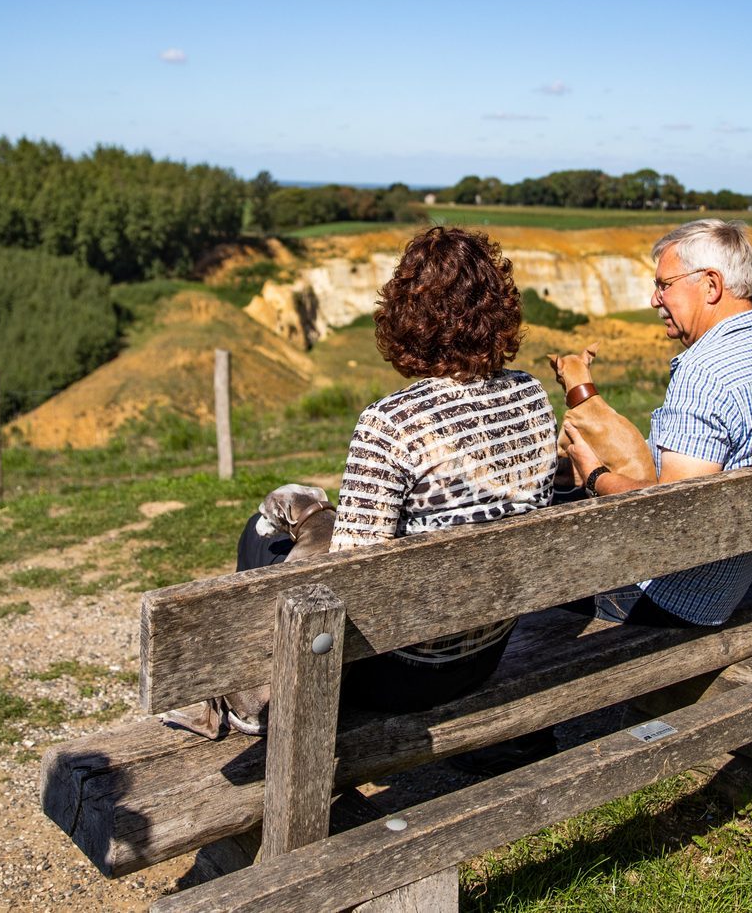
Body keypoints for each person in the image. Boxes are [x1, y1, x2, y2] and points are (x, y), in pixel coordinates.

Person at [238, 225, 559, 713]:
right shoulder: (532, 396)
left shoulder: (391, 423)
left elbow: (347, 580)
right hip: (486, 651)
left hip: (402, 672)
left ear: (408, 314)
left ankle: (262, 708)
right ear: (499, 309)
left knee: (259, 538)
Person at [562, 218, 752, 627]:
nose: (653, 299)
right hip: (733, 574)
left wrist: (595, 476)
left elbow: (673, 512)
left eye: (665, 285)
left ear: (711, 285)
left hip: (677, 598)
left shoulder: (705, 372)